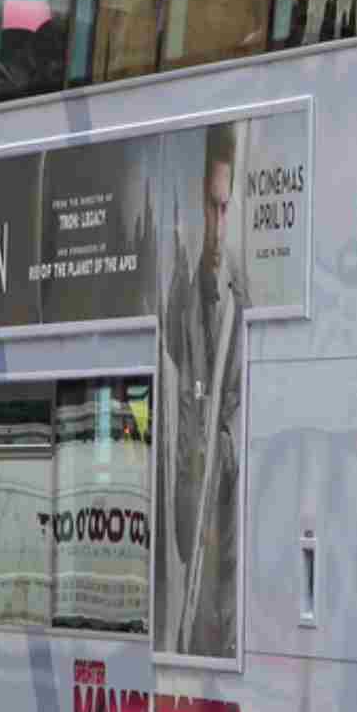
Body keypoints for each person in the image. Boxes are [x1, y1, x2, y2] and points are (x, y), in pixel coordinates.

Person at [157, 127, 246, 658]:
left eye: (226, 209)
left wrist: (225, 449)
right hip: (187, 532)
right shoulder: (185, 297)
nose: (217, 226)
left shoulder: (242, 310)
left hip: (223, 562)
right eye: (210, 209)